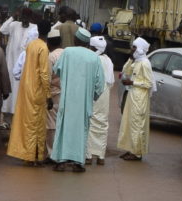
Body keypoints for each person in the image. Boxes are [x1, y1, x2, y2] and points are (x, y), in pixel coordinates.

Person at [50, 25, 106, 173]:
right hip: (83, 103)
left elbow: (57, 71)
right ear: (87, 43)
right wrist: (91, 97)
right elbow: (100, 85)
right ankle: (77, 162)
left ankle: (60, 161)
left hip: (67, 99)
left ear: (75, 40)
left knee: (63, 129)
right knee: (81, 130)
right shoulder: (94, 57)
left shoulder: (67, 52)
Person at [7, 17, 53, 165]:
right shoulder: (43, 48)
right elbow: (44, 74)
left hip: (26, 88)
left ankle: (25, 153)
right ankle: (32, 156)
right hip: (37, 90)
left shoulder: (31, 45)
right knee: (36, 124)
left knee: (26, 122)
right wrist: (48, 94)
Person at [117, 41, 153, 161]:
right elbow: (125, 72)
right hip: (132, 95)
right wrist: (130, 60)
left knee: (137, 125)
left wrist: (133, 82)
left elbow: (149, 83)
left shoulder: (145, 63)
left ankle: (137, 153)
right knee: (129, 123)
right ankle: (130, 149)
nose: (132, 49)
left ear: (140, 48)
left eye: (134, 47)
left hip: (140, 98)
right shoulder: (136, 61)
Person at [86, 31, 116, 165]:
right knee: (102, 123)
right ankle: (100, 156)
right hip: (105, 95)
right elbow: (111, 81)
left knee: (90, 122)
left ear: (93, 48)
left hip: (94, 94)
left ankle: (88, 155)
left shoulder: (93, 59)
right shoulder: (108, 60)